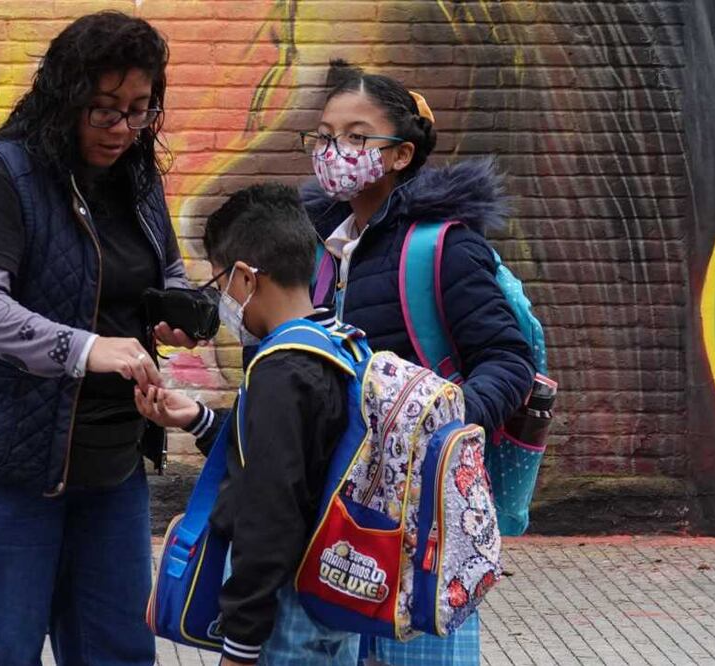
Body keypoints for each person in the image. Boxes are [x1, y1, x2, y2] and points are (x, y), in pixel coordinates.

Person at [0, 11, 194, 665]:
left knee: (118, 648)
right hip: (4, 457)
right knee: (7, 648)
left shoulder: (139, 178)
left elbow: (164, 272)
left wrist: (180, 310)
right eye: (103, 110)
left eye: (139, 109)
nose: (122, 128)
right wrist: (88, 347)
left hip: (110, 457)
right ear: (64, 96)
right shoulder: (0, 173)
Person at [300, 60, 535, 666]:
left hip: (426, 515)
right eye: (326, 136)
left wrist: (441, 429)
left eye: (356, 137)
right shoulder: (320, 249)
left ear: (401, 155)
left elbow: (507, 359)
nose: (335, 151)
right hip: (337, 508)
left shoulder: (445, 245)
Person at [136, 183, 359, 666]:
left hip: (284, 618)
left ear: (243, 277)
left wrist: (240, 643)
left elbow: (269, 512)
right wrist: (199, 420)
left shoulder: (280, 369)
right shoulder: (340, 345)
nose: (222, 300)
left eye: (219, 284)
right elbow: (302, 459)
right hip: (332, 601)